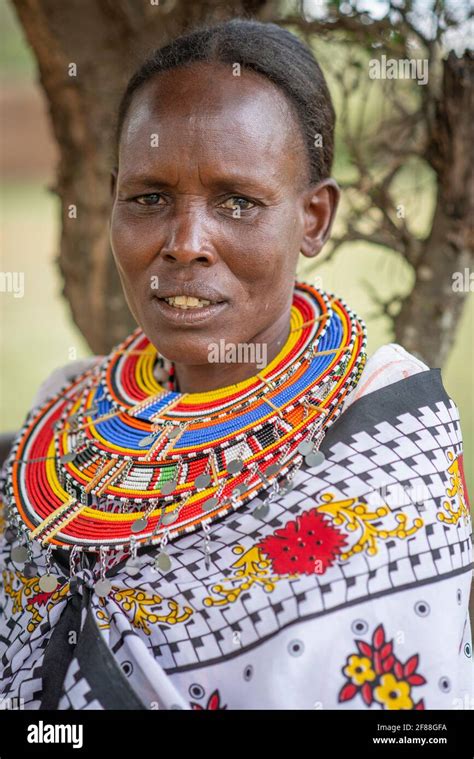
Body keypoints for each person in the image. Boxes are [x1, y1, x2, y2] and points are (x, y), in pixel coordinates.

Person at [0, 19, 471, 711]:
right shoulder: (64, 423)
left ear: (313, 218)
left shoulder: (386, 443)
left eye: (238, 202)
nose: (185, 243)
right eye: (149, 198)